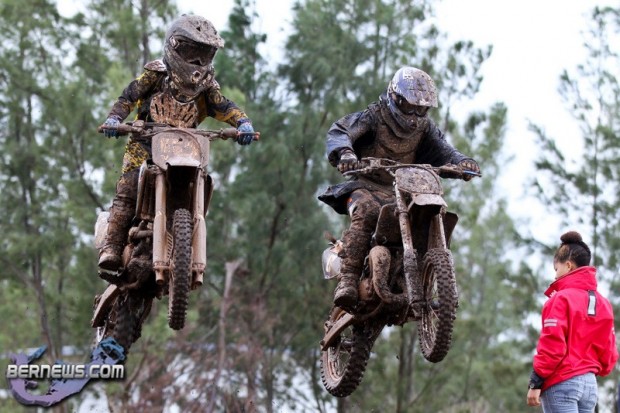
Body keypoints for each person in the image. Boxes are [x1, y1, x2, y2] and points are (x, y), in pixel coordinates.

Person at [98, 14, 255, 273]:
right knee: (128, 185)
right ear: (174, 46)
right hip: (145, 145)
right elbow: (129, 96)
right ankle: (112, 246)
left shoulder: (207, 87)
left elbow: (223, 106)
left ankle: (182, 246)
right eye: (192, 53)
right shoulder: (156, 74)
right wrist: (114, 119)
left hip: (185, 149)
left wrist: (243, 123)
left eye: (203, 56)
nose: (197, 62)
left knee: (194, 185)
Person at [318, 66, 480, 309]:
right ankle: (348, 279)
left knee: (428, 215)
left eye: (421, 109)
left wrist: (462, 162)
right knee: (367, 210)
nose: (414, 115)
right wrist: (346, 153)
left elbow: (443, 150)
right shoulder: (374, 116)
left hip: (402, 191)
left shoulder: (425, 128)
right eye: (409, 106)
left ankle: (423, 280)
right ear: (395, 97)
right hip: (365, 185)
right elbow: (342, 131)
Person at [526, 231, 618, 412]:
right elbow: (609, 353)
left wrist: (536, 381)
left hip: (562, 383)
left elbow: (552, 346)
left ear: (568, 265)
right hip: (590, 386)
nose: (555, 276)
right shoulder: (604, 303)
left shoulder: (560, 299)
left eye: (556, 269)